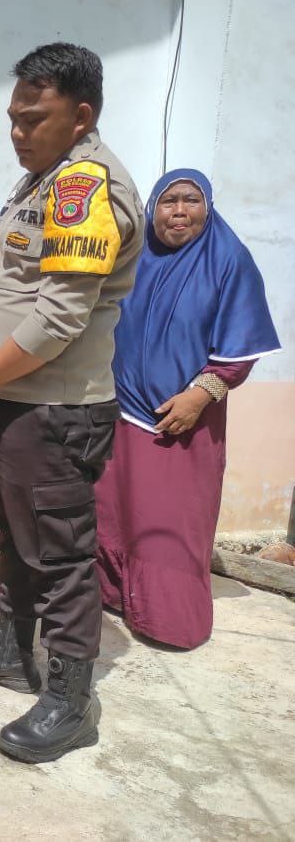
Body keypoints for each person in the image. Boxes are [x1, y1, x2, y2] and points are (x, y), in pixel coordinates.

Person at [0, 43, 144, 763]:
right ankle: (12, 651)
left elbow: (58, 317)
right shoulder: (42, 181)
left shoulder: (84, 189)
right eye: (12, 117)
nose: (18, 132)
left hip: (53, 409)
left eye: (33, 119)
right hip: (18, 405)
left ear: (81, 116)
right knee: (15, 534)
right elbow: (25, 285)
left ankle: (70, 700)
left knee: (62, 556)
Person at [95, 169, 281, 649]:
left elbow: (240, 349)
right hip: (116, 411)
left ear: (208, 206)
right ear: (151, 208)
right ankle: (115, 595)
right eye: (168, 201)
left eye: (191, 201)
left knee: (168, 521)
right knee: (113, 512)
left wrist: (200, 396)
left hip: (181, 421)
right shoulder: (132, 256)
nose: (179, 212)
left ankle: (170, 621)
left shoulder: (228, 260)